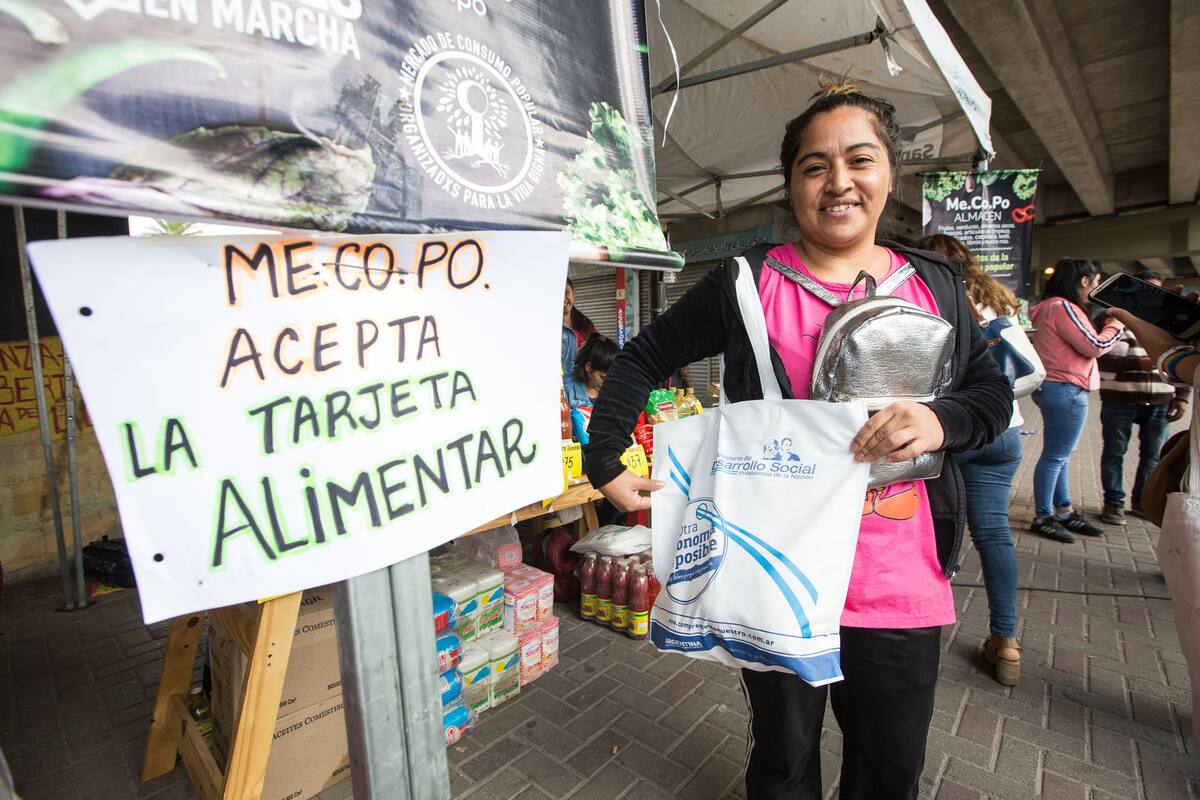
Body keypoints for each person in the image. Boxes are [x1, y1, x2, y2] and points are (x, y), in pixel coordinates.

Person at [585, 77, 1011, 800]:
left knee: (890, 769)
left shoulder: (934, 285)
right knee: (782, 767)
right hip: (774, 579)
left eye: (859, 160)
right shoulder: (746, 282)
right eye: (815, 166)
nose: (838, 182)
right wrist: (606, 461)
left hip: (898, 583)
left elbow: (989, 392)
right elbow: (640, 357)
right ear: (792, 183)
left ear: (888, 172)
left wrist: (942, 420)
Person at [916, 234, 1026, 686]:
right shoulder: (995, 298)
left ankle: (917, 628)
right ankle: (1006, 639)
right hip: (1007, 429)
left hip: (954, 429)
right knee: (995, 533)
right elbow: (1030, 368)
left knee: (938, 519)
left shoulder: (926, 296)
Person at [1028, 260, 1124, 543]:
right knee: (1056, 456)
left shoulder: (1047, 307)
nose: (1095, 289)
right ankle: (1044, 516)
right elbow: (1095, 346)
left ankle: (1064, 510)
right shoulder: (1063, 308)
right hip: (1067, 389)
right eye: (1095, 282)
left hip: (1055, 388)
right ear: (1085, 281)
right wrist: (1117, 324)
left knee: (1060, 455)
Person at [1092, 271, 1189, 525]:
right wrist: (1140, 362)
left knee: (1153, 456)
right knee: (1114, 452)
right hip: (1119, 399)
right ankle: (1114, 502)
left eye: (1158, 291)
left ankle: (1143, 503)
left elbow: (1188, 359)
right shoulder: (1109, 317)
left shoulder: (1169, 321)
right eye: (1146, 289)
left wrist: (1182, 397)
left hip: (1160, 400)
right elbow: (1098, 355)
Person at [563, 335, 617, 409]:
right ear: (588, 367)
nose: (606, 383)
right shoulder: (564, 388)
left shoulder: (613, 392)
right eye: (602, 377)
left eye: (611, 379)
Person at [563, 278, 597, 352]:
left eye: (566, 292)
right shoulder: (545, 328)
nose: (563, 297)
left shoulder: (586, 325)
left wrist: (590, 348)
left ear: (573, 294)